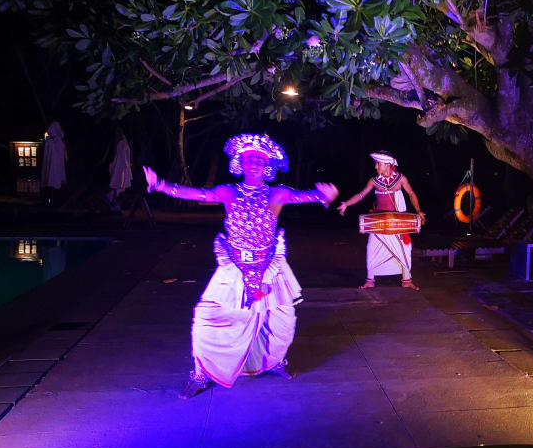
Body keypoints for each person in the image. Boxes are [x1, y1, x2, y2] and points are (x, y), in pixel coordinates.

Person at [144, 133, 338, 398]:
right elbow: (199, 194)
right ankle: (202, 373)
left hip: (268, 269)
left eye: (259, 159)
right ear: (240, 163)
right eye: (249, 158)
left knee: (277, 321)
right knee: (207, 319)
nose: (254, 163)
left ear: (267, 165)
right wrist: (160, 185)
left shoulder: (277, 193)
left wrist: (325, 196)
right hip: (234, 268)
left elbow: (308, 197)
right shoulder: (228, 192)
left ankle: (273, 361)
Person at [337, 151, 426, 290]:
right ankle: (370, 280)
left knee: (403, 249)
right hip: (379, 223)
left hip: (397, 222)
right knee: (372, 248)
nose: (375, 166)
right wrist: (346, 204)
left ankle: (407, 280)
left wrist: (419, 211)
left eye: (378, 163)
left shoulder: (401, 178)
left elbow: (411, 193)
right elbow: (361, 195)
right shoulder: (374, 181)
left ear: (387, 164)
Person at [108, 128, 132, 211]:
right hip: (121, 168)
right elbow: (121, 157)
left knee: (119, 187)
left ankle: (114, 204)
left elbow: (123, 156)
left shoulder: (122, 143)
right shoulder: (121, 143)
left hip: (121, 168)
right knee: (118, 187)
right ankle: (114, 205)